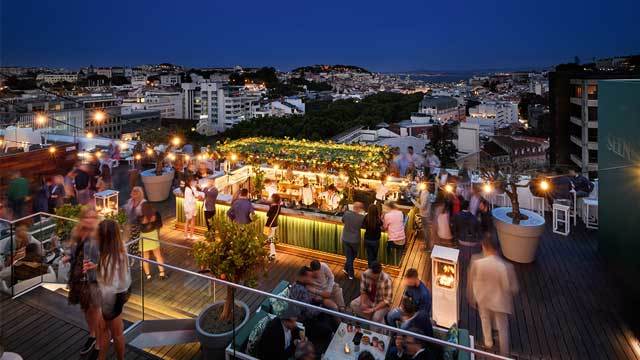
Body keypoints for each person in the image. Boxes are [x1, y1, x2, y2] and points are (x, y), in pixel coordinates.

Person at [468, 233, 519, 355]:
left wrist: (471, 295)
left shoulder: (477, 262)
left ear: (484, 246)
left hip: (483, 298)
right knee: (502, 327)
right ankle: (504, 353)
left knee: (485, 319)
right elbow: (513, 288)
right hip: (500, 301)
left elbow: (471, 280)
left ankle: (488, 342)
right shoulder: (506, 267)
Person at [65, 207, 101, 358]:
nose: (90, 220)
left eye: (93, 217)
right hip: (78, 275)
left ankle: (99, 342)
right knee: (85, 308)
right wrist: (68, 256)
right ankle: (92, 335)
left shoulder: (101, 235)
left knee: (95, 309)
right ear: (82, 219)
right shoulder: (77, 232)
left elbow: (109, 258)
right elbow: (73, 250)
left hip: (94, 278)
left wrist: (97, 266)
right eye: (87, 217)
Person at [95, 220, 131, 360]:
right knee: (110, 330)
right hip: (120, 294)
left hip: (112, 298)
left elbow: (111, 286)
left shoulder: (109, 258)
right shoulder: (119, 250)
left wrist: (104, 309)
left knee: (112, 332)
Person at [138, 202, 167, 280]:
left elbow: (138, 227)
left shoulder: (140, 217)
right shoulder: (156, 214)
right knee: (158, 256)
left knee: (145, 258)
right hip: (153, 235)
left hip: (144, 237)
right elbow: (159, 226)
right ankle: (162, 273)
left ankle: (148, 275)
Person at [341, 201, 365, 280]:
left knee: (349, 257)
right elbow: (363, 226)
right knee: (352, 257)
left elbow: (343, 220)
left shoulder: (347, 214)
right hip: (355, 240)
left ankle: (345, 268)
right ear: (360, 209)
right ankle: (351, 274)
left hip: (345, 238)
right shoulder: (362, 218)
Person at [123, 186, 146, 256]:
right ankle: (130, 254)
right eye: (132, 192)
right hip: (129, 225)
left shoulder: (143, 203)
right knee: (128, 241)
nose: (132, 193)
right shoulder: (130, 201)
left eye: (134, 192)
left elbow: (144, 216)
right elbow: (125, 209)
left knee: (136, 242)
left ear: (138, 194)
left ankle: (137, 256)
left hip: (138, 227)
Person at [265, 193, 282, 260]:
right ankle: (272, 252)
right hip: (274, 224)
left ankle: (273, 253)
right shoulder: (278, 206)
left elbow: (268, 214)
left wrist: (270, 206)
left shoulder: (273, 207)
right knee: (270, 238)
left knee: (270, 239)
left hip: (270, 225)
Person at [416, 183, 432, 249]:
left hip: (425, 214)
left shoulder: (426, 194)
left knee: (426, 230)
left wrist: (413, 200)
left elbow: (422, 206)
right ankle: (427, 245)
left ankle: (428, 247)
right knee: (426, 230)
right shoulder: (423, 192)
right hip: (424, 213)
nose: (418, 187)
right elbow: (417, 195)